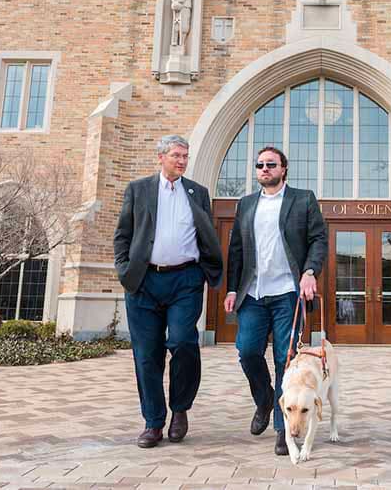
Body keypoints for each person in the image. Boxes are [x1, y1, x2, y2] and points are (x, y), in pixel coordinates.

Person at [114, 135, 222, 448]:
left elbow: (207, 234)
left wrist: (204, 270)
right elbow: (123, 234)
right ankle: (153, 422)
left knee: (183, 341)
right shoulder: (138, 190)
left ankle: (180, 408)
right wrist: (125, 269)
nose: (182, 161)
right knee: (147, 355)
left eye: (185, 156)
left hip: (185, 280)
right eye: (176, 155)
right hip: (144, 282)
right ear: (161, 157)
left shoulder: (197, 193)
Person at [224, 146, 328, 456]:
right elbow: (237, 251)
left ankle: (284, 432)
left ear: (284, 169)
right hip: (253, 294)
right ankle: (266, 400)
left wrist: (310, 271)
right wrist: (232, 289)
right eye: (260, 165)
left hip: (287, 293)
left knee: (285, 358)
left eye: (271, 164)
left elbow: (318, 239)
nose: (264, 168)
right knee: (248, 351)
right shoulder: (246, 204)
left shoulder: (302, 199)